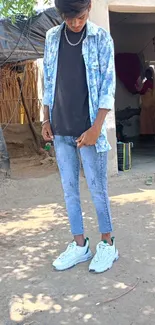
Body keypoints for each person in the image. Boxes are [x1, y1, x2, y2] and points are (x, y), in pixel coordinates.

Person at [42, 0, 118, 273]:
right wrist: (45, 118)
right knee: (69, 189)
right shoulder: (52, 37)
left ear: (89, 7)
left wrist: (98, 127)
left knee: (98, 190)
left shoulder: (100, 37)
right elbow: (48, 79)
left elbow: (108, 85)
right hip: (60, 128)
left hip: (89, 130)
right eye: (68, 17)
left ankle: (108, 244)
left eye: (81, 16)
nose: (75, 22)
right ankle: (79, 245)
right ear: (61, 14)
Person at [135, 68, 155, 135]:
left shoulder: (149, 83)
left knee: (149, 120)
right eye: (146, 74)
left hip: (150, 106)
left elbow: (142, 91)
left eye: (148, 74)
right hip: (147, 106)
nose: (147, 75)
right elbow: (142, 91)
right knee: (146, 120)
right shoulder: (146, 83)